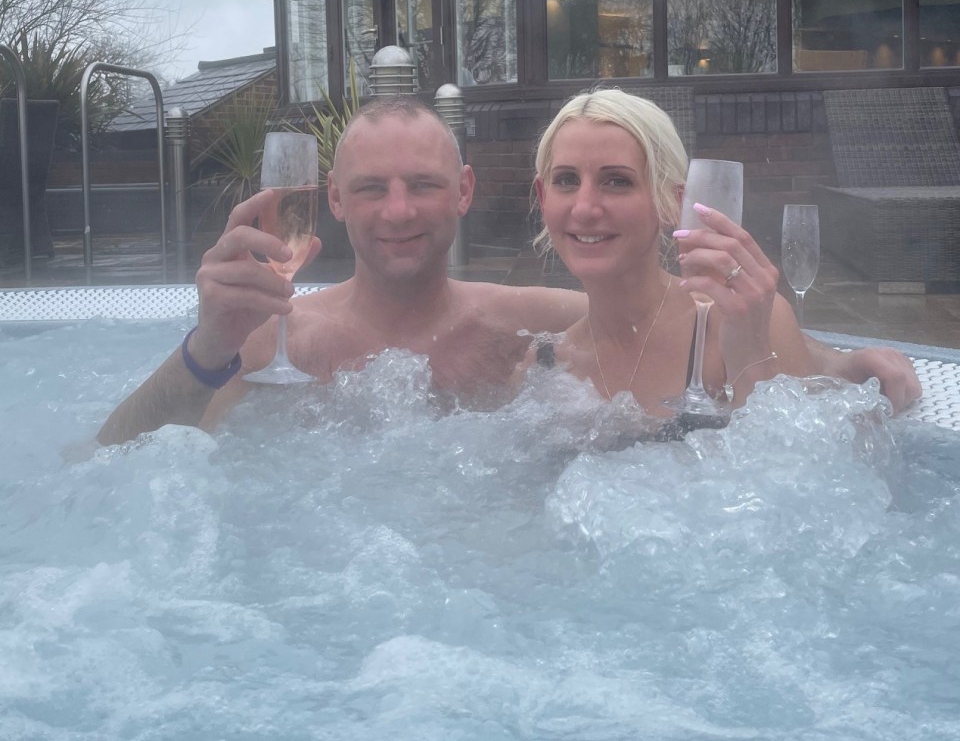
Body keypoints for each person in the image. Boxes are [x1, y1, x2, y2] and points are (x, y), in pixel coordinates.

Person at [98, 95, 920, 446]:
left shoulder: (527, 329)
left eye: (421, 185)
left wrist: (849, 363)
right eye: (370, 189)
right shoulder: (267, 340)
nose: (397, 211)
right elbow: (113, 463)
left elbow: (746, 363)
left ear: (463, 192)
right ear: (333, 202)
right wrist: (205, 344)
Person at [524, 88, 807, 425]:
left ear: (674, 202)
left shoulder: (750, 322)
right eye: (566, 180)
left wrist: (751, 358)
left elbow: (799, 468)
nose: (584, 208)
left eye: (617, 181)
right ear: (543, 197)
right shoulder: (543, 368)